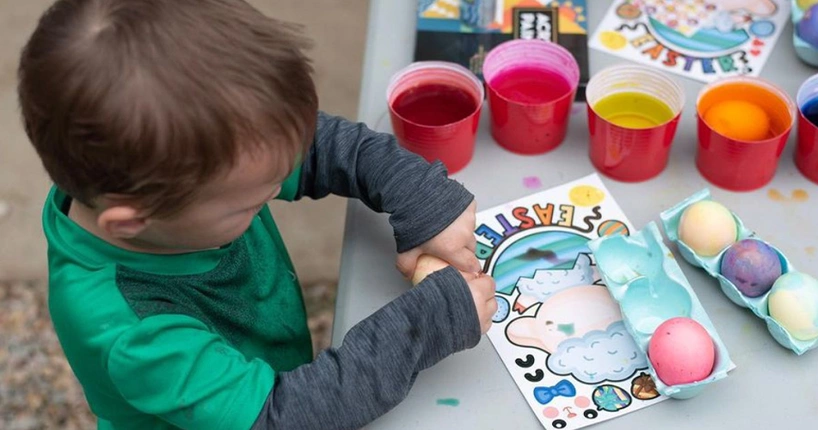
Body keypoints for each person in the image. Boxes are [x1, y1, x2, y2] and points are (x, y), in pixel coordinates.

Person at [17, 0, 497, 428]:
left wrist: (419, 196)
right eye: (252, 202)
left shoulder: (166, 180)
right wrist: (426, 323)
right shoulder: (134, 332)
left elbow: (318, 147)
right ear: (131, 222)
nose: (279, 187)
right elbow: (282, 415)